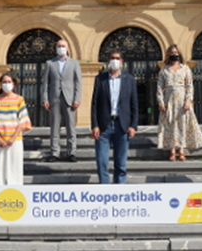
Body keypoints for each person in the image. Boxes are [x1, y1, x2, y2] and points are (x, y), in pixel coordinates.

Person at [91, 50, 138, 184]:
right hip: (104, 125)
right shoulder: (100, 79)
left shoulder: (129, 79)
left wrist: (133, 125)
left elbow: (134, 104)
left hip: (122, 125)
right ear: (108, 60)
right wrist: (94, 125)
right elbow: (94, 104)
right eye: (112, 58)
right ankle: (105, 189)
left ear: (122, 61)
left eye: (117, 58)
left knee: (121, 163)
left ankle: (119, 189)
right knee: (102, 161)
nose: (115, 60)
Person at [157, 44, 202, 161]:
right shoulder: (164, 70)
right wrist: (161, 102)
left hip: (182, 100)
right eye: (172, 52)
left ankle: (182, 150)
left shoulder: (185, 69)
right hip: (169, 100)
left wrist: (188, 101)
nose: (174, 54)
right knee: (170, 125)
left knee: (182, 125)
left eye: (176, 52)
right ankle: (172, 150)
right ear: (169, 54)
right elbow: (159, 87)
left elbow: (189, 86)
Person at [0, 72, 32, 186]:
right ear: (0, 84)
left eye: (9, 82)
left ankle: (15, 192)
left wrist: (13, 138)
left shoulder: (19, 100)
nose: (6, 84)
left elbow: (23, 121)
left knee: (15, 166)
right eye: (4, 82)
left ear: (14, 84)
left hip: (15, 139)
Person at [41, 39, 82, 162]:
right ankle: (54, 152)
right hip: (54, 98)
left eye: (63, 46)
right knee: (54, 126)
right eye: (59, 46)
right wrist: (45, 98)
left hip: (69, 98)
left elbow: (78, 83)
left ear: (68, 48)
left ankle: (71, 152)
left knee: (70, 126)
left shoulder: (74, 63)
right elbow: (45, 83)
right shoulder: (50, 63)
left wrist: (77, 98)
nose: (61, 48)